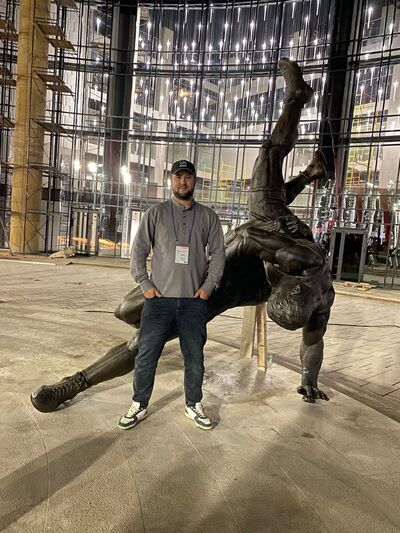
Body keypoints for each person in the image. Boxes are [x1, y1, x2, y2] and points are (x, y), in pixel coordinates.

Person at [30, 57, 334, 415]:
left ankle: (73, 384)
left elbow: (313, 341)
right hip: (266, 232)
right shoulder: (297, 259)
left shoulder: (322, 300)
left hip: (231, 284)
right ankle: (299, 105)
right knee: (269, 165)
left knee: (143, 338)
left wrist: (308, 380)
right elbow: (248, 234)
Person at [118, 159, 225, 430]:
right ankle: (139, 404)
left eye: (187, 177)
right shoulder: (155, 214)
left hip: (193, 302)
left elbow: (218, 255)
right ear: (171, 181)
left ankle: (193, 404)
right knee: (146, 355)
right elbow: (138, 252)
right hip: (159, 302)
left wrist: (208, 287)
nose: (182, 182)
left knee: (194, 358)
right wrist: (145, 284)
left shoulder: (208, 217)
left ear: (194, 181)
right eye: (178, 177)